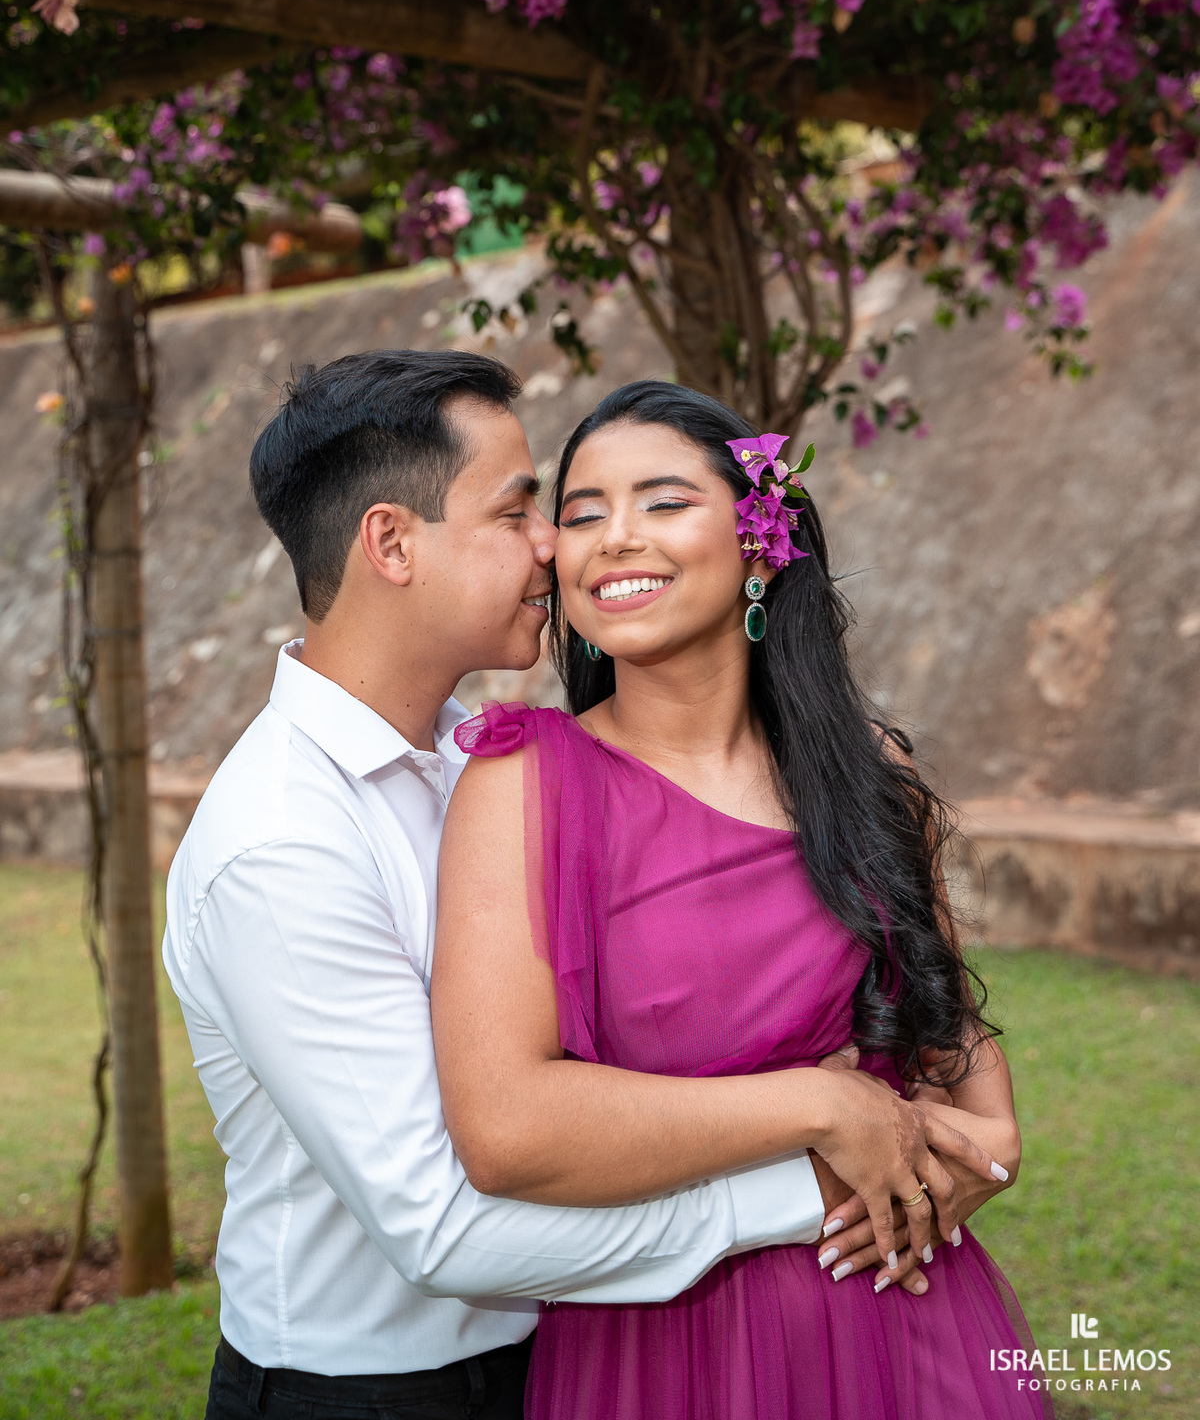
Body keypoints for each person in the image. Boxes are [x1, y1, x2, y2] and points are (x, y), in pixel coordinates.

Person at [163, 351, 995, 1420]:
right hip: (380, 1389)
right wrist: (822, 1161)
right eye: (522, 512)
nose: (559, 545)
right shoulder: (281, 843)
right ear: (391, 542)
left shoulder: (486, 762)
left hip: (571, 1347)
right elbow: (445, 1227)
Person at [434, 379, 1049, 1420]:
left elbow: (966, 1072)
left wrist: (986, 1154)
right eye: (581, 515)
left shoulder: (868, 775)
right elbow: (505, 1128)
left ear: (760, 540)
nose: (613, 540)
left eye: (664, 502)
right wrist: (819, 1103)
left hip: (906, 1324)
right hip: (662, 1353)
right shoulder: (524, 785)